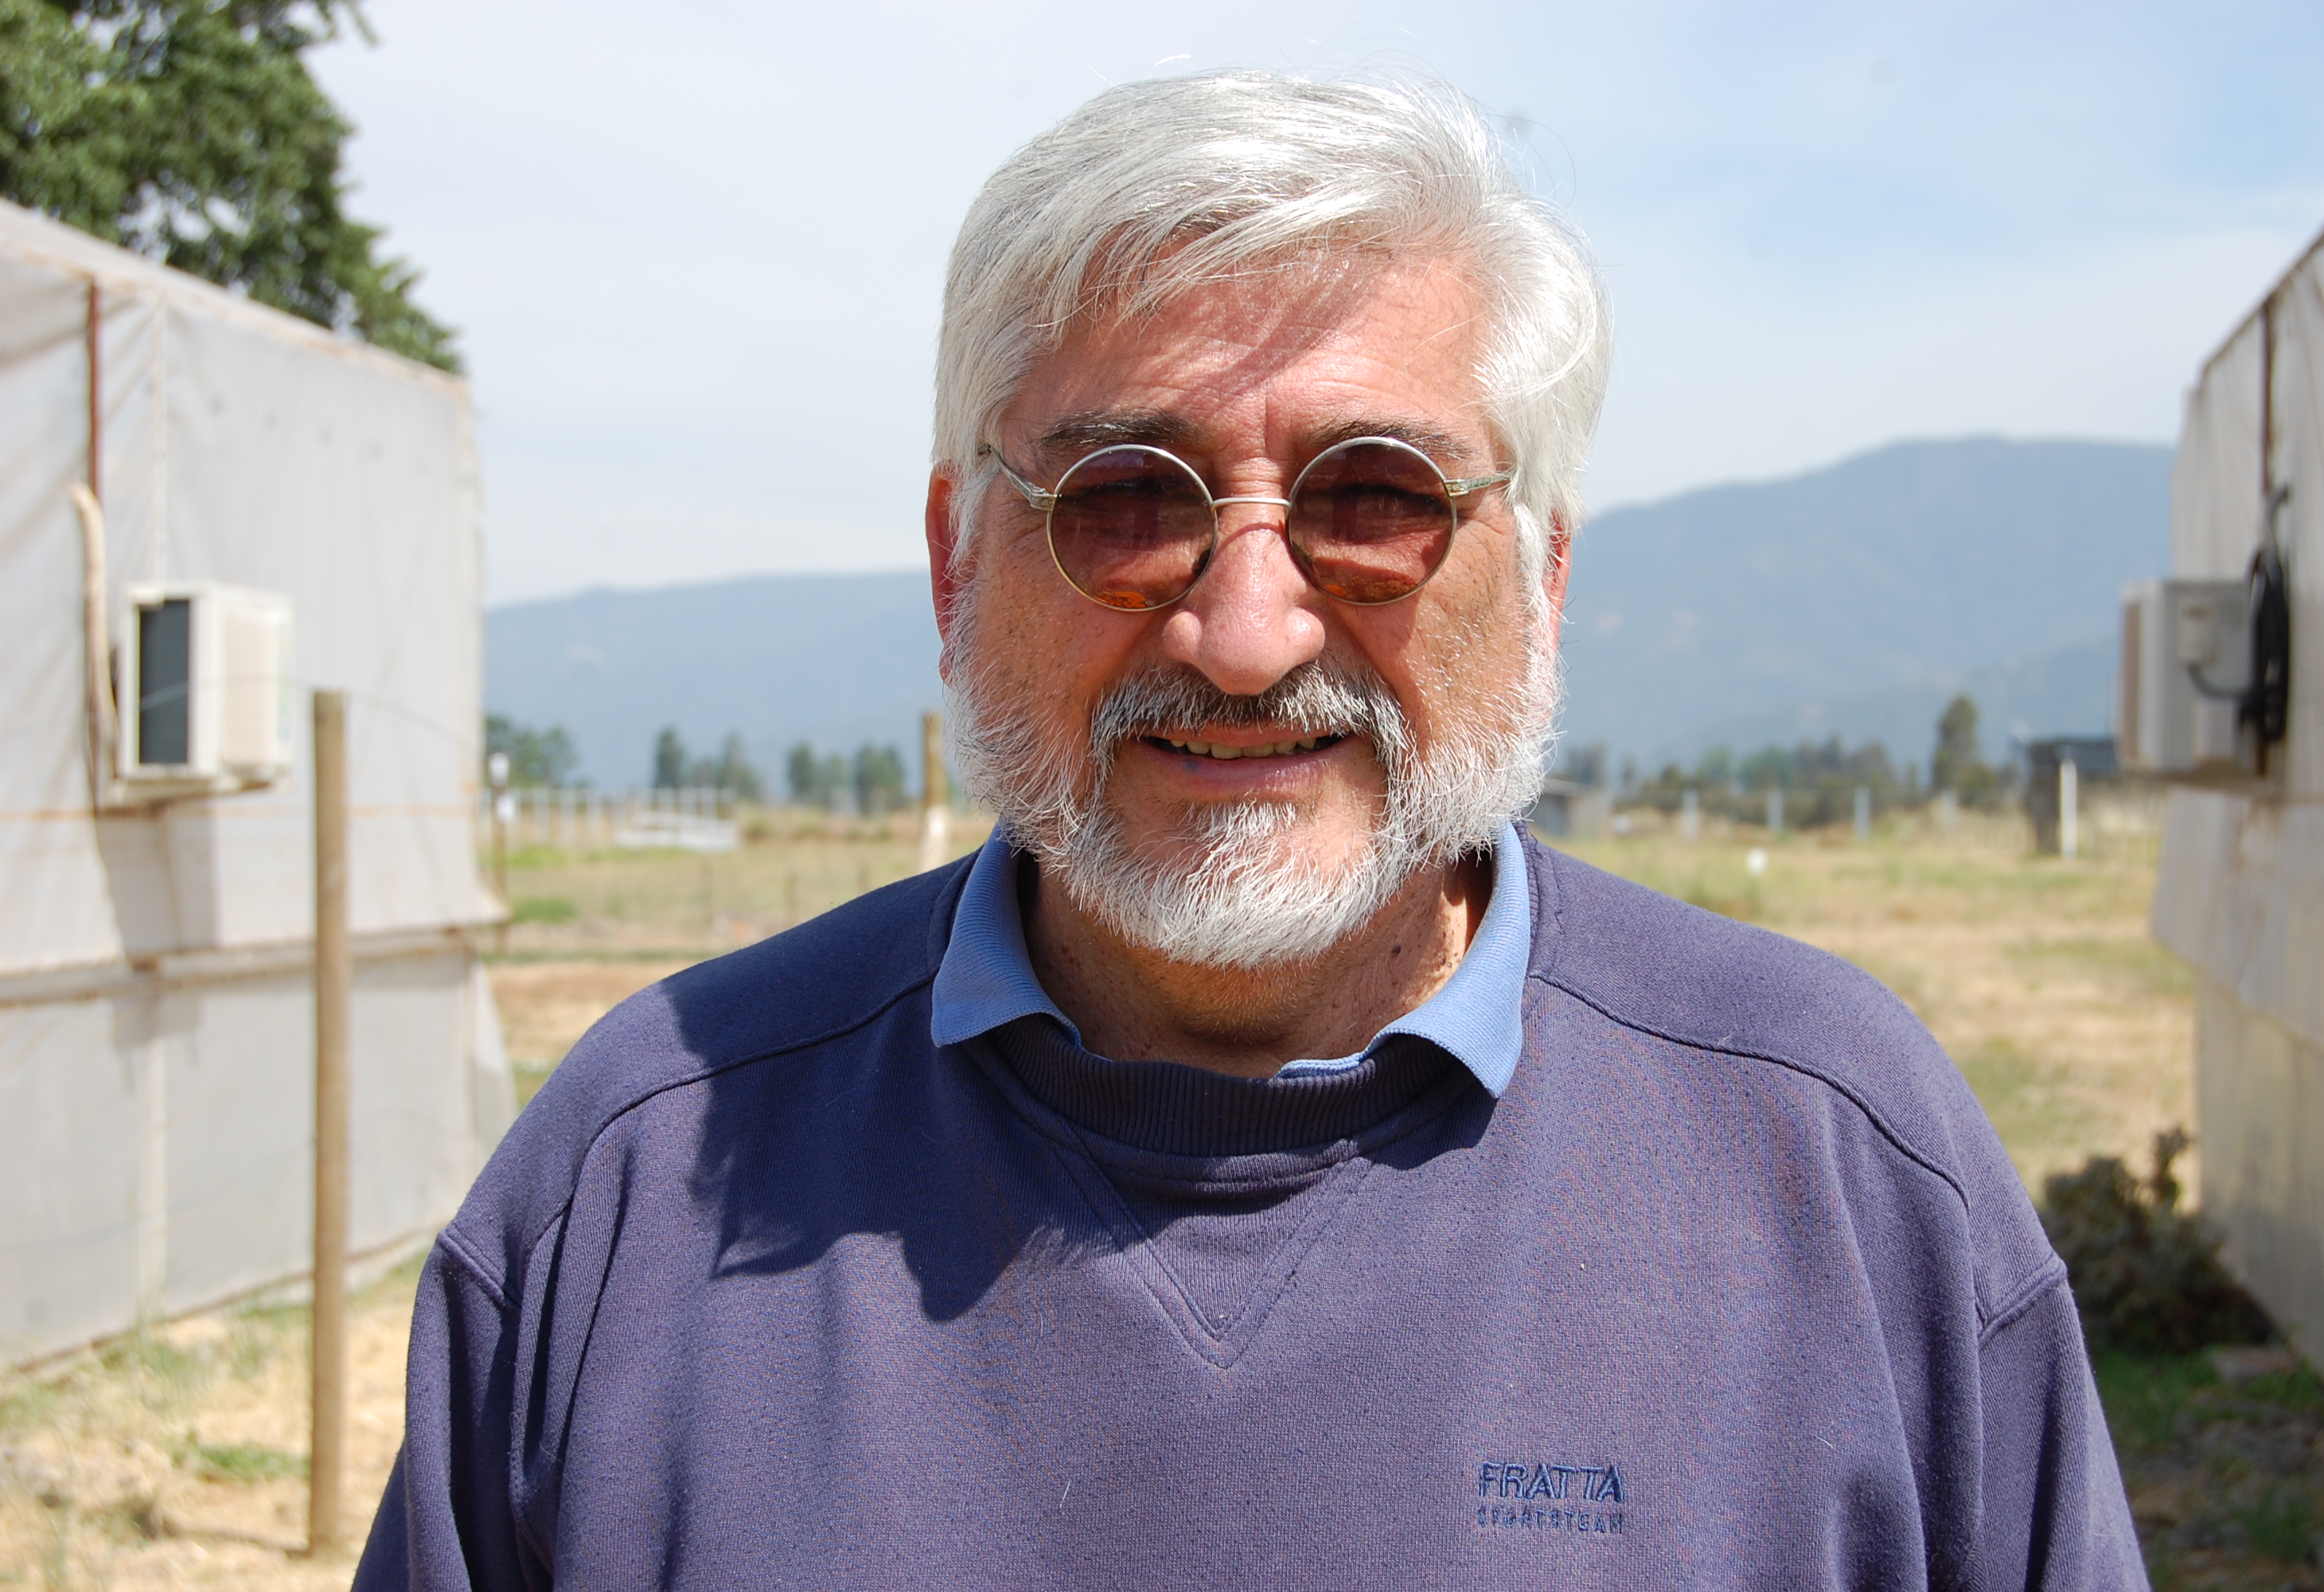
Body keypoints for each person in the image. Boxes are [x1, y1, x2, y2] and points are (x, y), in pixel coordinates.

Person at [357, 72, 2144, 1590]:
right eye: (1124, 502)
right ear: (955, 563)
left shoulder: (1833, 1163)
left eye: (1374, 497)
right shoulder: (638, 1180)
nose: (1245, 630)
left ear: (1542, 575)